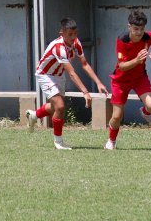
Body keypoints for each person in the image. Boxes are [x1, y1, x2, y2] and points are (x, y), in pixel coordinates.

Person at [26, 18, 109, 150]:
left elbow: (85, 64)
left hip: (59, 76)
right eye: (70, 34)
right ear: (61, 33)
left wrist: (99, 83)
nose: (73, 37)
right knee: (60, 106)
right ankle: (58, 142)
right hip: (45, 75)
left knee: (55, 108)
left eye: (75, 34)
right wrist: (85, 92)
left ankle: (34, 115)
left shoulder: (76, 43)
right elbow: (71, 73)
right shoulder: (59, 47)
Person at [105, 10, 151, 150]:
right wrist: (137, 60)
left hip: (139, 78)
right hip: (120, 81)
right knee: (117, 116)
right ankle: (111, 140)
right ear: (129, 26)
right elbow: (122, 66)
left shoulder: (148, 37)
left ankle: (145, 112)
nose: (139, 32)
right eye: (136, 29)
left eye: (142, 29)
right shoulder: (122, 40)